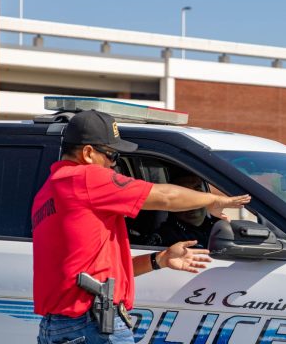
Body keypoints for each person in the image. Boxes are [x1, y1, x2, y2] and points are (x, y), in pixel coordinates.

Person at [32, 110, 251, 344]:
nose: (114, 166)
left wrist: (160, 259)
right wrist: (214, 201)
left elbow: (93, 273)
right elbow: (164, 196)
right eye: (112, 155)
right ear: (87, 153)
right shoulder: (85, 179)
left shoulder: (48, 192)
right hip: (92, 325)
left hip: (63, 327)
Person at [145, 174, 220, 248]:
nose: (192, 202)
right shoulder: (166, 238)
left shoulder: (218, 226)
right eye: (183, 195)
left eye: (197, 190)